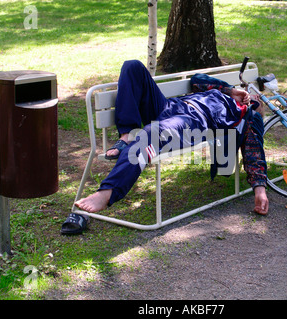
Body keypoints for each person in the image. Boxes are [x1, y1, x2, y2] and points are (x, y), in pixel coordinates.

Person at [61, 60, 268, 235]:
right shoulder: (225, 92)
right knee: (132, 66)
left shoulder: (247, 117)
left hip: (193, 123)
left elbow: (253, 151)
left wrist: (260, 191)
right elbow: (197, 79)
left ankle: (108, 192)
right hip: (171, 106)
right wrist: (230, 90)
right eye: (254, 96)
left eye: (258, 100)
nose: (254, 98)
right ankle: (126, 134)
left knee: (151, 133)